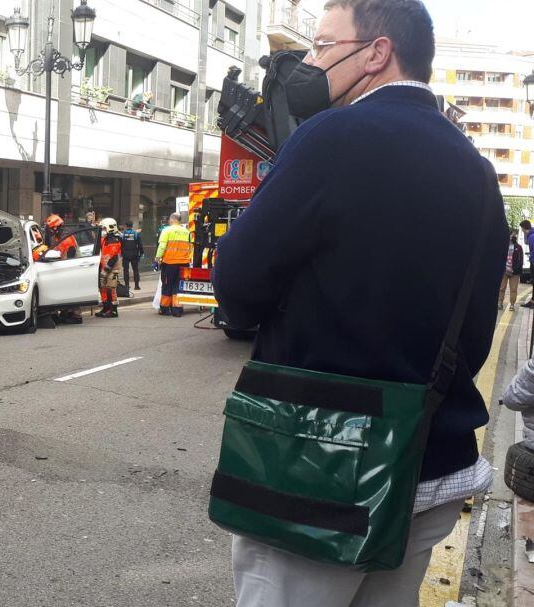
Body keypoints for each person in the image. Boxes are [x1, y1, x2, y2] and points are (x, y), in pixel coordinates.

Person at [211, 1, 507, 605]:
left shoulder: (334, 136)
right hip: (430, 462)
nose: (309, 63)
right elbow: (478, 329)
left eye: (321, 46)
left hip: (320, 465)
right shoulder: (477, 172)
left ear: (376, 54)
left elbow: (236, 285)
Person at [45, 214, 83, 324]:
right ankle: (67, 312)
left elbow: (69, 256)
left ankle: (76, 315)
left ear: (57, 227)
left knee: (72, 292)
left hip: (71, 269)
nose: (50, 231)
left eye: (51, 228)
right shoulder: (59, 237)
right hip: (66, 267)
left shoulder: (67, 240)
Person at [154, 212, 191, 317]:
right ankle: (177, 309)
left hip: (169, 263)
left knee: (167, 285)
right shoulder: (186, 232)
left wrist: (157, 260)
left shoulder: (167, 231)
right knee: (178, 286)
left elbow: (162, 247)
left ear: (171, 220)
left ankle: (165, 309)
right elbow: (190, 248)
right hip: (184, 264)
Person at [96, 218, 123, 318]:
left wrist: (106, 269)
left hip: (112, 268)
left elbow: (114, 257)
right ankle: (106, 307)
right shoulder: (106, 239)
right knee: (103, 288)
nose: (102, 230)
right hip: (104, 267)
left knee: (111, 288)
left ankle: (113, 310)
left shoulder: (115, 240)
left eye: (103, 228)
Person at [500, 231, 523, 311]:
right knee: (502, 288)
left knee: (513, 289)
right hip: (504, 271)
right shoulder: (503, 246)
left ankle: (512, 305)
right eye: (510, 235)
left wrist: (516, 269)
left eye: (513, 235)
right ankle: (500, 303)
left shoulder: (518, 247)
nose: (511, 237)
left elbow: (520, 260)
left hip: (515, 272)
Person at [121, 221, 143, 290]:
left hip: (125, 255)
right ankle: (137, 286)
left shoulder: (123, 234)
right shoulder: (135, 234)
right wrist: (141, 253)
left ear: (126, 226)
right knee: (135, 270)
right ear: (132, 226)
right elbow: (140, 244)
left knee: (126, 270)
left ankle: (127, 285)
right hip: (134, 254)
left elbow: (121, 245)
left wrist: (121, 253)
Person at [521, 219, 534, 308]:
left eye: (521, 228)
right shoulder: (531, 235)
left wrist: (532, 259)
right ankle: (532, 301)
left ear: (523, 227)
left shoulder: (532, 236)